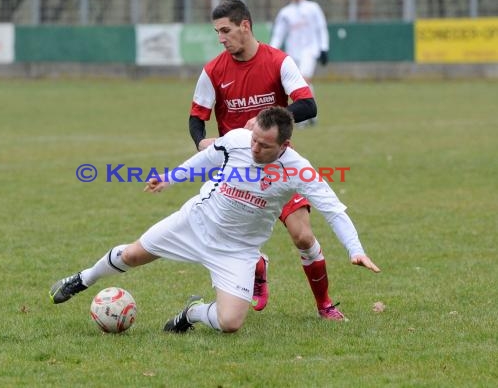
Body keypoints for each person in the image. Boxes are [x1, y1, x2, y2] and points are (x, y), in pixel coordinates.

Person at [49, 107, 380, 334]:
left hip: (237, 250)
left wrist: (355, 248)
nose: (254, 149)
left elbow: (334, 209)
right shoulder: (237, 140)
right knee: (133, 255)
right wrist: (169, 177)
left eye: (264, 146)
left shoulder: (299, 169)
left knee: (231, 323)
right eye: (254, 140)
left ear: (285, 145)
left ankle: (191, 314)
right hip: (196, 223)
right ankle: (82, 279)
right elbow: (204, 159)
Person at [188, 0, 342, 320]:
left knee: (302, 235)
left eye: (226, 30)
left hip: (278, 166)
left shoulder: (278, 61)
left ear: (246, 26)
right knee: (223, 237)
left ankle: (324, 305)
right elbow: (196, 117)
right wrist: (201, 141)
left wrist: (266, 122)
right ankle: (256, 264)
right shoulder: (214, 70)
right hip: (236, 173)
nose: (221, 38)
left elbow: (308, 106)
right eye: (217, 32)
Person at [270, 0, 329, 87]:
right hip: (292, 52)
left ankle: (307, 103)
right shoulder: (285, 12)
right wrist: (271, 51)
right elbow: (278, 35)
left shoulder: (313, 8)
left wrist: (324, 48)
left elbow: (321, 28)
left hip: (310, 49)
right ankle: (308, 103)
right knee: (296, 83)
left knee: (304, 78)